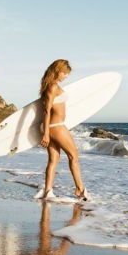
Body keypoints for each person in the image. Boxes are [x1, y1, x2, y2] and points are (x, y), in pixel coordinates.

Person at [33, 59, 89, 202]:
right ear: (57, 71)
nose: (65, 76)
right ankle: (80, 189)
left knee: (54, 159)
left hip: (51, 127)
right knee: (73, 156)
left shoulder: (50, 86)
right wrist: (45, 133)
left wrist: (45, 131)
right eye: (64, 73)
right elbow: (46, 111)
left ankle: (47, 191)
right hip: (55, 126)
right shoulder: (52, 87)